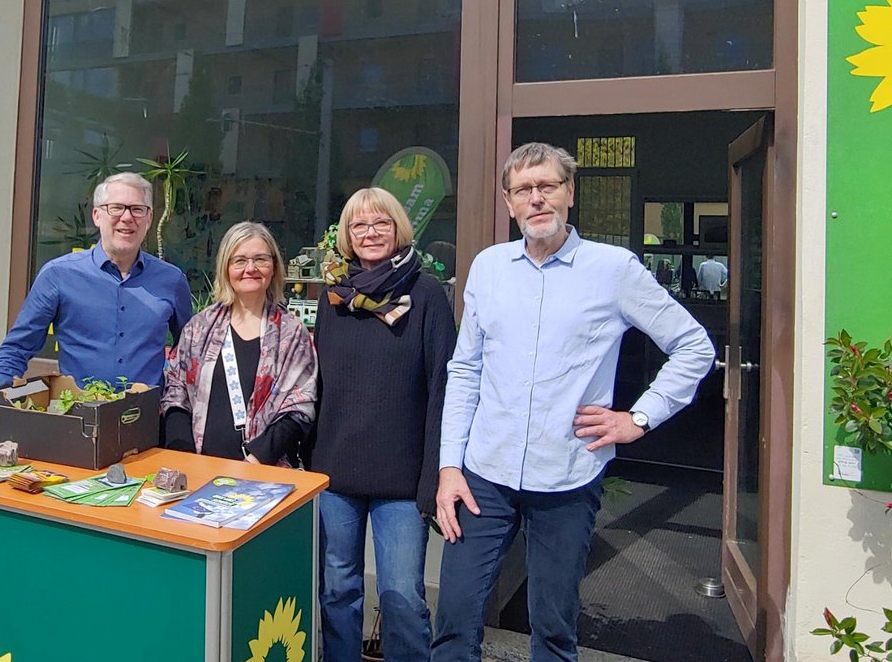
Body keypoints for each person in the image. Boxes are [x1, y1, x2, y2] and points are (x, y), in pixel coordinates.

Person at [431, 143, 714, 662]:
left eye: (547, 186)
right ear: (508, 202)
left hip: (566, 478)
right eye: (523, 190)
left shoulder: (613, 269)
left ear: (569, 193)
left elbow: (694, 346)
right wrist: (450, 466)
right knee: (453, 619)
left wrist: (639, 417)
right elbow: (465, 369)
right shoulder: (489, 268)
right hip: (482, 478)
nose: (536, 199)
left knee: (555, 629)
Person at [309, 187, 457, 662]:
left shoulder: (427, 294)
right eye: (359, 225)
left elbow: (444, 390)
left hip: (402, 479)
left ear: (398, 230)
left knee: (402, 598)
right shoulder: (334, 299)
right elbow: (319, 386)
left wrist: (434, 474)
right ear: (347, 237)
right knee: (337, 591)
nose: (370, 233)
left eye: (381, 224)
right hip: (334, 474)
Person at [0, 172, 193, 388]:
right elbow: (17, 349)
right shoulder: (58, 275)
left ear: (149, 219)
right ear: (96, 215)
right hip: (78, 416)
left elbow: (191, 353)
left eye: (137, 209)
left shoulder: (172, 281)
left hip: (147, 417)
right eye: (116, 207)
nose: (127, 217)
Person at [161, 222, 317, 465]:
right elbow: (175, 392)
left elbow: (300, 407)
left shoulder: (292, 333)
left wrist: (256, 461)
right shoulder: (199, 327)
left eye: (260, 259)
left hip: (264, 474)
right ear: (225, 268)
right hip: (198, 469)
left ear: (274, 267)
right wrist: (184, 456)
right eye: (240, 260)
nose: (251, 268)